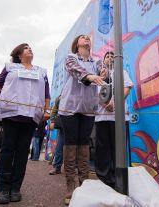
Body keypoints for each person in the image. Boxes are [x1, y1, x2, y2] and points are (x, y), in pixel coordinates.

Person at [0, 43, 50, 204]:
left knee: (22, 153)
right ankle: (2, 189)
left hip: (31, 117)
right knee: (7, 150)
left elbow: (46, 94)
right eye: (26, 48)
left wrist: (46, 110)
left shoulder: (42, 72)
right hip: (11, 114)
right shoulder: (9, 67)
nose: (30, 49)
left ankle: (15, 188)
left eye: (31, 48)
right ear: (18, 54)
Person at [59, 35, 107, 205]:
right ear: (77, 44)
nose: (86, 38)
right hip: (70, 106)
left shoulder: (97, 61)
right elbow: (75, 69)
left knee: (84, 143)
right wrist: (91, 77)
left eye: (88, 38)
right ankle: (71, 186)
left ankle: (85, 184)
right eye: (82, 37)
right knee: (71, 143)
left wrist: (104, 72)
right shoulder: (71, 58)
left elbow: (104, 71)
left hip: (88, 108)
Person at [94, 51, 133, 188]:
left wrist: (116, 103)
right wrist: (105, 103)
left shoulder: (122, 72)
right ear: (103, 60)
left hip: (120, 117)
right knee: (103, 147)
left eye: (112, 56)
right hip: (102, 117)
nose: (110, 58)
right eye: (107, 56)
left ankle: (119, 178)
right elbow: (94, 92)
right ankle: (104, 177)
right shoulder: (98, 74)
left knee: (119, 148)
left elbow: (127, 88)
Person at [48, 95, 64, 175]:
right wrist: (53, 121)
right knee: (59, 147)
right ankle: (57, 167)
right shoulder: (60, 97)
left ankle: (77, 169)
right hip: (63, 124)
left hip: (76, 124)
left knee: (76, 147)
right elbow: (54, 109)